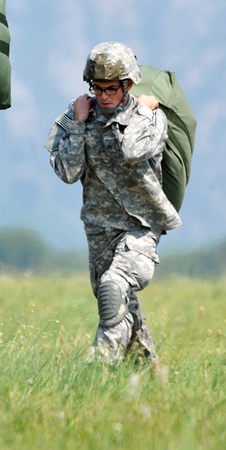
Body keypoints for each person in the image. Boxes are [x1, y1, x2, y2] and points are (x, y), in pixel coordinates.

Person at [45, 41, 181, 365]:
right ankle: (147, 371)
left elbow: (133, 151)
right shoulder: (79, 114)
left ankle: (98, 368)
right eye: (98, 88)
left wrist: (146, 112)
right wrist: (78, 124)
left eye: (112, 89)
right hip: (99, 228)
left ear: (128, 85)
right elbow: (67, 171)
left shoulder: (149, 118)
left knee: (113, 289)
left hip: (141, 227)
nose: (104, 96)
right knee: (118, 305)